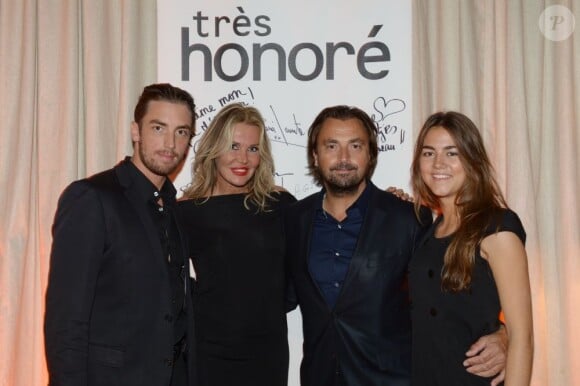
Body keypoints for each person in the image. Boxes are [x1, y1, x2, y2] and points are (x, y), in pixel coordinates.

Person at [284, 105, 510, 386]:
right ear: (315, 156)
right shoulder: (292, 220)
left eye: (355, 146)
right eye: (331, 146)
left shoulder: (409, 218)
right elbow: (273, 299)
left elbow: (449, 297)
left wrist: (504, 334)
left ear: (371, 155)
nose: (344, 158)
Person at [45, 83, 197, 386]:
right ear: (136, 131)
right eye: (158, 128)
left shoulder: (173, 208)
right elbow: (66, 321)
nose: (170, 143)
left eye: (181, 132)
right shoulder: (92, 198)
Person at [409, 111, 533, 386]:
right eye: (429, 153)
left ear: (472, 160)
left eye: (452, 153)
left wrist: (504, 335)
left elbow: (522, 336)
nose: (438, 163)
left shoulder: (497, 228)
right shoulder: (427, 233)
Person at [177, 103, 295, 386]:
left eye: (253, 149)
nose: (243, 158)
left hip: (268, 353)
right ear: (214, 149)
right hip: (209, 353)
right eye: (233, 146)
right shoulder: (185, 211)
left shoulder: (280, 205)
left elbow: (305, 266)